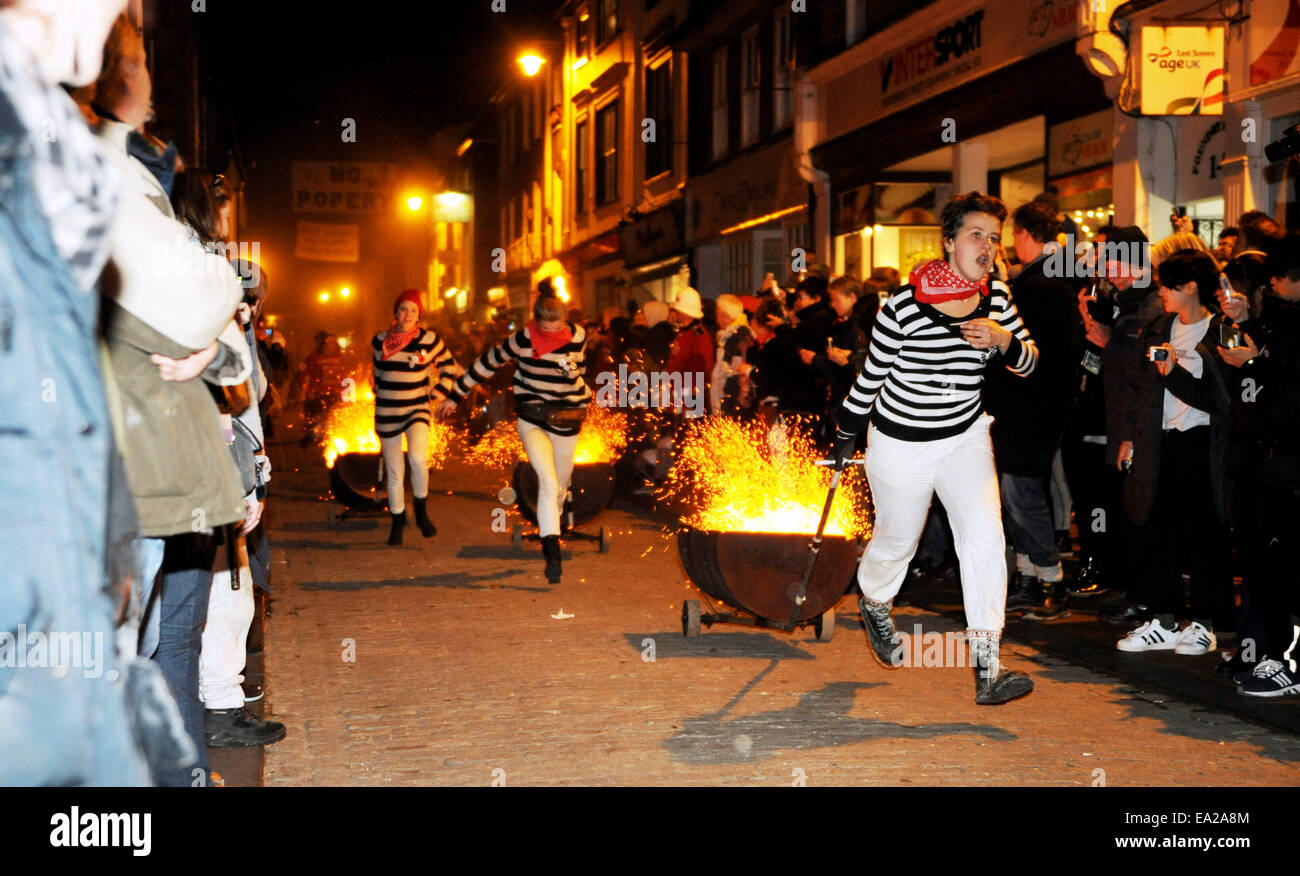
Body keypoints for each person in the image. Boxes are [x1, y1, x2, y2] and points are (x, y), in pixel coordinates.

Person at [831, 192, 1039, 705]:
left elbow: (1030, 365)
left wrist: (1003, 341)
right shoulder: (900, 305)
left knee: (986, 538)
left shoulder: (999, 301)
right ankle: (876, 600)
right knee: (898, 541)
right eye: (975, 235)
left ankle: (989, 666)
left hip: (964, 435)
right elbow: (870, 378)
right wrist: (842, 435)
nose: (987, 246)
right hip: (900, 441)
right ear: (948, 243)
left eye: (994, 238)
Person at [1112, 250, 1234, 656]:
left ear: (1192, 287)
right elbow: (1137, 387)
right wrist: (1129, 437)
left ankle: (1204, 622)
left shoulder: (1220, 331)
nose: (1162, 292)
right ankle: (1163, 618)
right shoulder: (1158, 327)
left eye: (1169, 286)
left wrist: (1173, 372)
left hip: (1204, 443)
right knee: (1157, 528)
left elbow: (1221, 400)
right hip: (1159, 440)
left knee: (1205, 534)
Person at [438, 289, 591, 583]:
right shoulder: (522, 339)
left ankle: (552, 523)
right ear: (536, 323)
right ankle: (552, 556)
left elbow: (581, 372)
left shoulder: (579, 335)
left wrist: (576, 388)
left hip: (568, 418)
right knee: (547, 482)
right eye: (547, 329)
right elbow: (486, 363)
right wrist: (456, 395)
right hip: (532, 417)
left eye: (558, 326)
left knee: (560, 486)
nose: (553, 332)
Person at [986, 201, 1082, 618]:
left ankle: (1051, 580)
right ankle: (1030, 575)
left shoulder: (1037, 286)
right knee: (1018, 491)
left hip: (1028, 407)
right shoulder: (1054, 279)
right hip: (1037, 405)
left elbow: (1026, 353)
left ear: (1026, 235)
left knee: (1020, 492)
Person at [373, 288, 461, 546]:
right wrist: (380, 392)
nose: (408, 314)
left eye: (413, 310)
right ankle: (398, 520)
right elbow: (377, 375)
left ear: (419, 314)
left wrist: (436, 396)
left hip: (417, 410)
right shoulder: (379, 340)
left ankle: (421, 511)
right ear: (395, 313)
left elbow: (449, 368)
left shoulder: (430, 339)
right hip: (387, 412)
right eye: (403, 309)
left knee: (417, 459)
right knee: (394, 470)